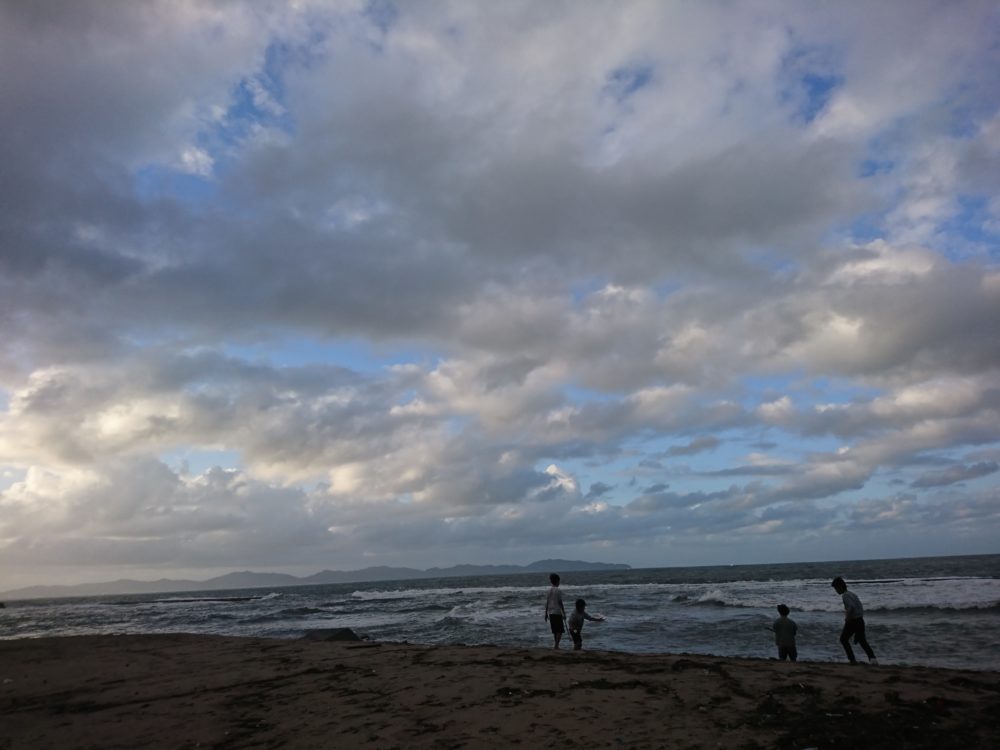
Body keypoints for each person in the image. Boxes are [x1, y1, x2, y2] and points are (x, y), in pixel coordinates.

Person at [831, 576, 877, 665]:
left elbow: (851, 607)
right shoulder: (852, 594)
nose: (836, 591)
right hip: (860, 620)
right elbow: (859, 606)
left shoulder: (845, 595)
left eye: (836, 588)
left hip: (853, 621)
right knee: (862, 641)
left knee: (843, 639)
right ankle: (873, 659)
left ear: (840, 587)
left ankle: (852, 660)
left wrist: (847, 618)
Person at [544, 573, 567, 649]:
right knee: (560, 630)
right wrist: (564, 613)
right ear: (557, 581)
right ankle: (556, 645)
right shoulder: (558, 590)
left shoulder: (548, 590)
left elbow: (547, 602)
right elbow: (560, 602)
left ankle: (556, 645)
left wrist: (546, 613)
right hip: (557, 612)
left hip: (550, 612)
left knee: (554, 630)